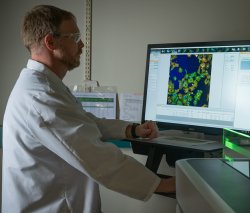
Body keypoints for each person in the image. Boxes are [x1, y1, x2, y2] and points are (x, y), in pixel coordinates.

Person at [2, 5, 175, 213]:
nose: (82, 44)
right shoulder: (40, 96)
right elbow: (97, 158)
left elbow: (83, 121)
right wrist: (166, 184)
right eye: (74, 37)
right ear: (50, 42)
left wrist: (131, 130)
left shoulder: (43, 86)